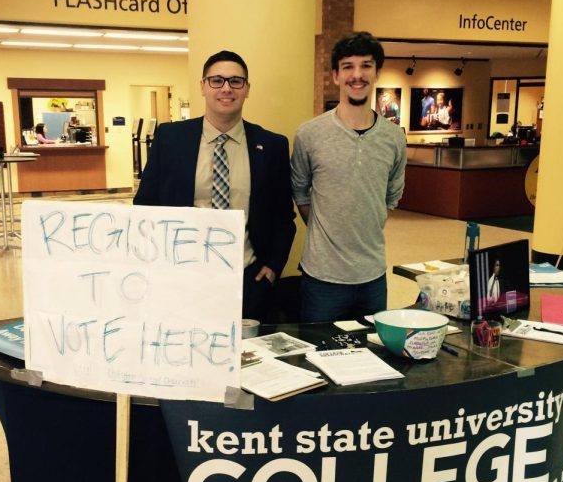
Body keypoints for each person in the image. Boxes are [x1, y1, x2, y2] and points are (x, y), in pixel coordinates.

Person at [134, 50, 296, 322]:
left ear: (247, 89)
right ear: (202, 86)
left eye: (236, 81)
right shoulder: (171, 139)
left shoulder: (271, 146)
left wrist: (272, 268)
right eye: (216, 80)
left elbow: (283, 216)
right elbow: (145, 207)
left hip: (248, 279)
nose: (226, 88)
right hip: (183, 278)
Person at [291, 31, 407, 322]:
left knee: (373, 361)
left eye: (366, 65)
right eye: (348, 67)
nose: (357, 75)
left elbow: (391, 197)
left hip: (373, 277)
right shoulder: (310, 134)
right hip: (322, 279)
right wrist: (327, 230)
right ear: (335, 76)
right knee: (318, 358)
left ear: (377, 73)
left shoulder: (394, 138)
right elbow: (300, 192)